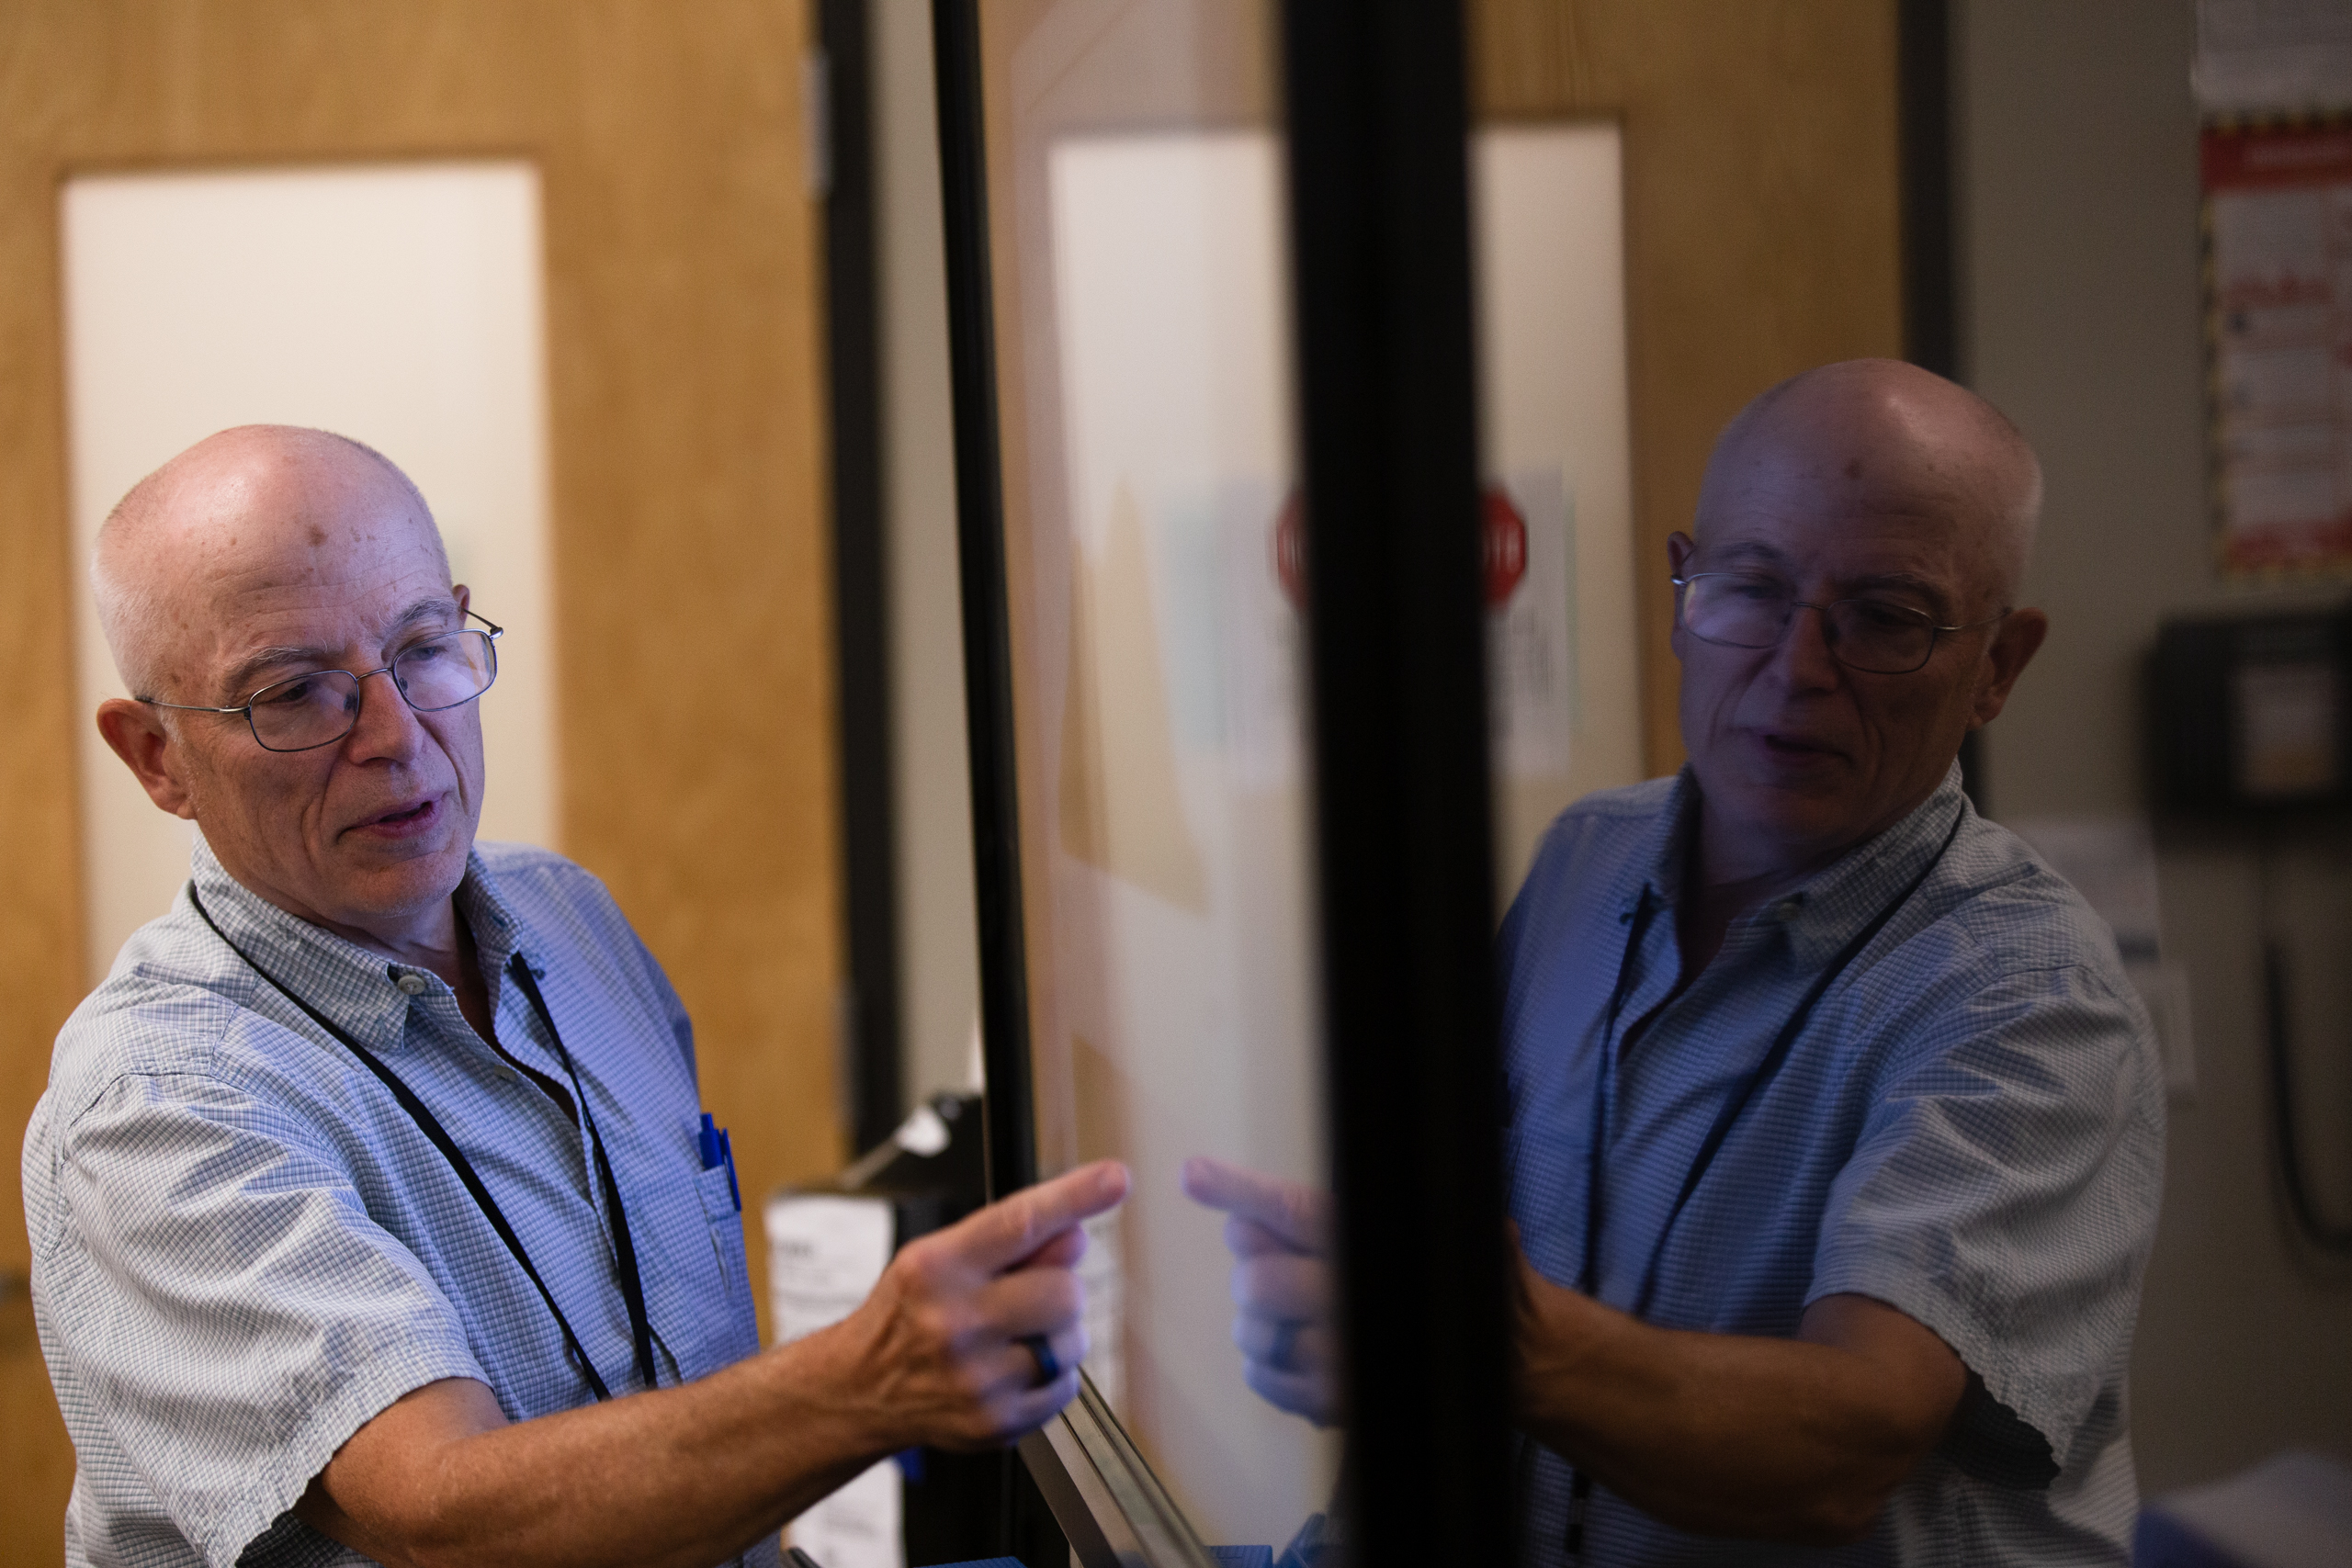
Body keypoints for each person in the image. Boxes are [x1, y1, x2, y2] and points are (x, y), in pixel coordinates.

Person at [23, 424, 1127, 1568]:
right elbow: (440, 1518)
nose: (398, 737)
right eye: (296, 694)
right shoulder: (158, 1099)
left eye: (423, 648)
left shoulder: (567, 920)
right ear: (156, 757)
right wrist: (860, 1385)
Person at [1189, 359, 2165, 1564]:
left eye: (1885, 617)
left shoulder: (2027, 992)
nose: (1797, 669)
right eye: (1750, 588)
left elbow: (1849, 1445)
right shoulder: (1586, 861)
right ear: (1681, 592)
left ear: (1999, 666)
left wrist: (1488, 1347)